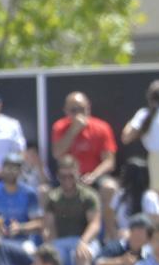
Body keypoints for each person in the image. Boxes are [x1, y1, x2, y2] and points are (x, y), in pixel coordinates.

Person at [50, 91, 119, 233]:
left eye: (82, 109)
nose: (79, 114)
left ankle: (111, 234)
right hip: (67, 177)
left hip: (92, 176)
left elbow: (109, 161)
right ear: (66, 111)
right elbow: (57, 153)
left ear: (88, 108)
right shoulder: (59, 127)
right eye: (73, 110)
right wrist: (73, 131)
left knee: (110, 187)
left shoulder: (101, 127)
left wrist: (94, 175)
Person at [41, 154, 101, 265]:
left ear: (77, 174)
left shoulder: (88, 196)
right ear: (58, 176)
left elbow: (95, 224)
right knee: (50, 258)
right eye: (63, 176)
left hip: (84, 240)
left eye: (71, 176)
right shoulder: (53, 198)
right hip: (61, 241)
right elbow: (49, 226)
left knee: (81, 254)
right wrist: (49, 245)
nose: (67, 180)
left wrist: (83, 242)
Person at [0, 153, 42, 251]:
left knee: (30, 251)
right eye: (8, 167)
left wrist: (20, 227)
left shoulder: (29, 193)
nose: (11, 171)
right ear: (2, 169)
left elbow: (38, 222)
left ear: (20, 171)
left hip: (23, 241)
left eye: (15, 168)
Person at [110, 157, 159, 235]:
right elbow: (111, 221)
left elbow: (155, 224)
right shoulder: (119, 195)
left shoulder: (149, 197)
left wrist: (133, 235)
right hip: (122, 239)